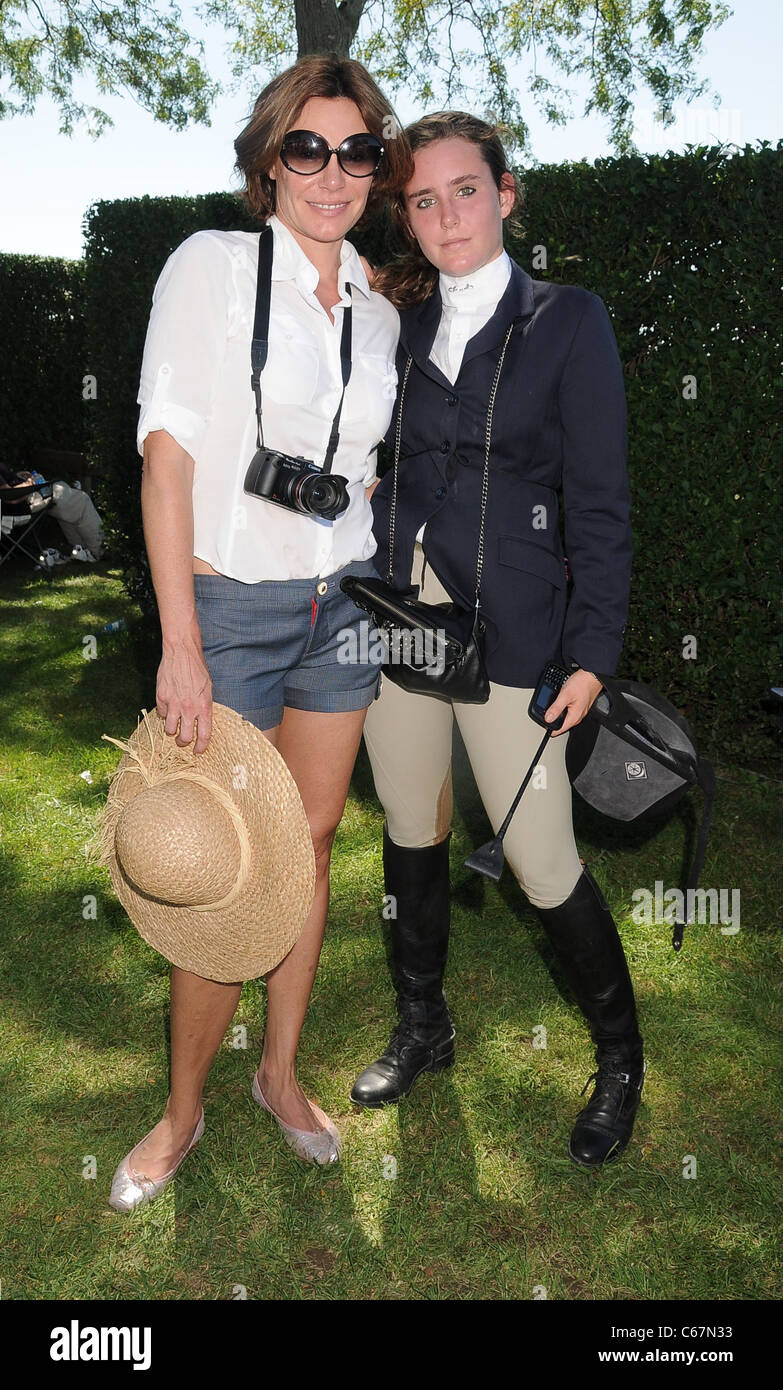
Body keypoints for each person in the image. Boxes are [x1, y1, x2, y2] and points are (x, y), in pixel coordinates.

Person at [109, 56, 412, 1211]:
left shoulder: (379, 313)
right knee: (221, 864)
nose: (332, 173)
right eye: (308, 149)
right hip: (228, 603)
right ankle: (181, 1112)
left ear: (375, 169)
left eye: (356, 151)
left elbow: (362, 471)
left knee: (311, 843)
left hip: (342, 605)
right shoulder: (213, 269)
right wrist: (180, 642)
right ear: (268, 160)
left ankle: (279, 1078)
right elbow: (169, 455)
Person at [351, 112, 644, 1168]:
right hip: (403, 616)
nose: (445, 216)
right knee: (410, 823)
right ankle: (423, 1024)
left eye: (464, 191)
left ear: (507, 194)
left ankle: (620, 1061)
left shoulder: (570, 320)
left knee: (536, 853)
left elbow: (601, 505)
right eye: (422, 200)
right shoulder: (402, 323)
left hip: (517, 628)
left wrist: (593, 651)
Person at [0, 459, 105, 563]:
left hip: (23, 500)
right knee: (80, 499)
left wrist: (17, 476)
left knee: (66, 499)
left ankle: (82, 550)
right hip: (21, 505)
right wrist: (28, 484)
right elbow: (10, 497)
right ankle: (97, 551)